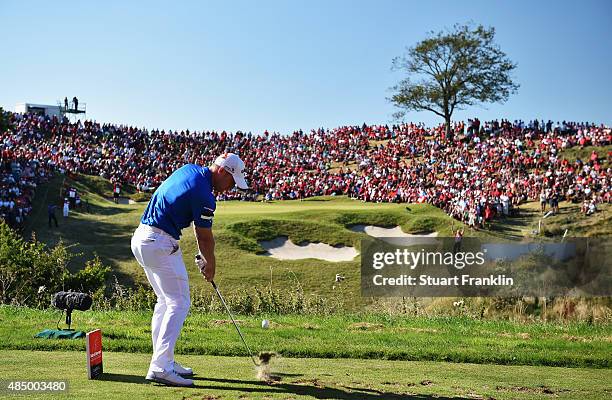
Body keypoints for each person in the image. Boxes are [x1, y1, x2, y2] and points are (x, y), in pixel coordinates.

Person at [130, 153, 248, 387]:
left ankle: (165, 361)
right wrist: (210, 264)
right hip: (158, 241)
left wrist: (206, 259)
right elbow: (203, 237)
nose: (231, 188)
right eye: (232, 182)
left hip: (141, 238)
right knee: (179, 302)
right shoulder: (205, 195)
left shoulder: (189, 169)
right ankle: (160, 367)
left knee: (165, 301)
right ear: (223, 172)